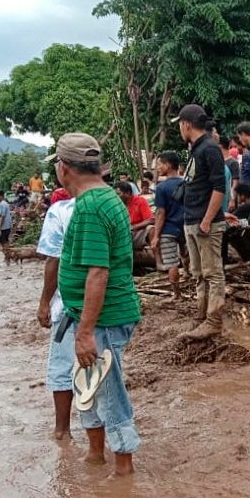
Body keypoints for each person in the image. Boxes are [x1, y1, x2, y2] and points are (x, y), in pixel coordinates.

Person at [49, 132, 141, 476]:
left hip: (102, 319)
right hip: (93, 317)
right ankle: (96, 455)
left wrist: (86, 331)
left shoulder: (90, 207)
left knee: (108, 390)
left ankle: (124, 469)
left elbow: (98, 272)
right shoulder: (105, 198)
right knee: (88, 384)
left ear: (63, 168)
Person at [178, 104, 227, 341]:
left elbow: (219, 188)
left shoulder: (210, 149)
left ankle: (213, 321)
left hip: (204, 223)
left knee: (212, 272)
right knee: (198, 272)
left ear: (186, 124)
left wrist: (207, 220)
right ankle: (202, 315)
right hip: (193, 220)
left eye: (180, 125)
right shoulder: (196, 149)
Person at [35, 194, 76, 441]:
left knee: (62, 366)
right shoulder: (114, 206)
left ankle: (62, 431)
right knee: (103, 370)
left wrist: (44, 302)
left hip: (69, 307)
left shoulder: (61, 211)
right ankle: (102, 440)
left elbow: (53, 259)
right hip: (109, 307)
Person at [150, 151, 186, 302]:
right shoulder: (186, 183)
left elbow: (160, 213)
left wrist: (156, 236)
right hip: (186, 227)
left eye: (160, 164)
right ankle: (189, 276)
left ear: (168, 165)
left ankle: (177, 294)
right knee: (186, 256)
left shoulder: (161, 187)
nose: (158, 167)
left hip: (168, 230)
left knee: (172, 264)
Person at [114, 182, 153, 250]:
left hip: (138, 232)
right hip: (124, 233)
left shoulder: (140, 201)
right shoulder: (117, 205)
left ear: (128, 193)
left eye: (118, 194)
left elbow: (151, 220)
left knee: (151, 228)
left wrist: (133, 227)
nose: (116, 197)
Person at [218, 134, 240, 211]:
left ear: (220, 146)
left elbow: (235, 183)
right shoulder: (218, 162)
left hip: (228, 199)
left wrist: (232, 199)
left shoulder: (233, 163)